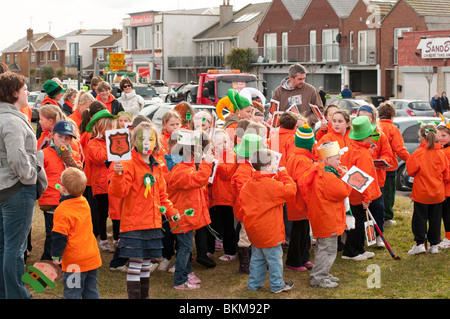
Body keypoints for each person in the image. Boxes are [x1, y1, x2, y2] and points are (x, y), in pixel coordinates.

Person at [109, 121, 179, 298]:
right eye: (142, 138)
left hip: (153, 224)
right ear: (133, 141)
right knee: (136, 263)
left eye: (150, 139)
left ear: (156, 142)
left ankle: (144, 296)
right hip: (134, 224)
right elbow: (120, 191)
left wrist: (171, 212)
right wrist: (117, 174)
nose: (146, 142)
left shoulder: (157, 166)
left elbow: (162, 195)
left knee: (146, 263)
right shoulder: (128, 163)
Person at [0, 72, 42, 299]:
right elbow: (17, 156)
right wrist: (30, 177)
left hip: (4, 188)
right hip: (16, 189)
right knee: (15, 249)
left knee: (5, 247)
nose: (27, 92)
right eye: (25, 89)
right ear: (15, 92)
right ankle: (17, 294)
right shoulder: (12, 120)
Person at [240, 148, 296, 293]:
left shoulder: (248, 184)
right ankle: (277, 285)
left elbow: (243, 205)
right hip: (270, 230)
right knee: (274, 259)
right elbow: (291, 190)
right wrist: (284, 174)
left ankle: (253, 284)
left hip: (254, 230)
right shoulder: (271, 185)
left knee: (257, 258)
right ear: (267, 165)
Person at [165, 129, 214, 290]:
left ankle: (186, 274)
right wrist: (207, 163)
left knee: (185, 248)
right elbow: (199, 180)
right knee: (185, 249)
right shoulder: (181, 170)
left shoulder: (185, 166)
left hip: (185, 217)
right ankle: (180, 280)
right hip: (182, 218)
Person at [300, 141, 353, 288]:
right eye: (337, 158)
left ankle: (323, 272)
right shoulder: (327, 176)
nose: (339, 161)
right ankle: (319, 277)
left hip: (323, 216)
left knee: (323, 247)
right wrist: (346, 178)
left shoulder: (320, 171)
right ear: (327, 159)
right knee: (327, 249)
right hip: (328, 217)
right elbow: (342, 192)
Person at [51, 167, 102, 299]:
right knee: (91, 290)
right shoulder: (84, 202)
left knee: (72, 292)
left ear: (64, 188)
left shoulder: (62, 210)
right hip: (91, 257)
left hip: (74, 262)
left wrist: (56, 255)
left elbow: (59, 236)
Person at [38, 120, 83, 260]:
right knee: (52, 233)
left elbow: (80, 174)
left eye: (67, 138)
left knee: (66, 232)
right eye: (60, 137)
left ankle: (62, 259)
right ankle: (47, 260)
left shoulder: (74, 155)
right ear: (52, 135)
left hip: (69, 202)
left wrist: (68, 158)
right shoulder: (44, 153)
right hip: (51, 201)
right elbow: (38, 177)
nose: (64, 141)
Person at [406, 123, 450, 255]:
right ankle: (434, 244)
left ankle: (420, 243)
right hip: (437, 194)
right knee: (435, 219)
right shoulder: (441, 154)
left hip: (422, 193)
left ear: (421, 137)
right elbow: (446, 175)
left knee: (420, 218)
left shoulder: (419, 153)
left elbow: (410, 171)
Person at [341, 116, 381, 261]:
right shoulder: (362, 154)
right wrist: (367, 197)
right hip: (358, 194)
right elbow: (364, 178)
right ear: (367, 136)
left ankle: (359, 249)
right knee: (357, 223)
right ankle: (351, 252)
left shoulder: (352, 148)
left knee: (358, 221)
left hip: (351, 192)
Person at [356, 104, 394, 247]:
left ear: (373, 118)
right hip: (359, 178)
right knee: (361, 209)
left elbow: (387, 152)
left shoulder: (380, 134)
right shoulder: (354, 135)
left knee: (377, 208)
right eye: (362, 116)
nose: (365, 118)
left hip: (376, 179)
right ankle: (364, 236)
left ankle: (378, 235)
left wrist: (383, 160)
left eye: (368, 116)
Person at [85, 109, 117, 253]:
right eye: (108, 127)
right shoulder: (93, 143)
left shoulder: (115, 141)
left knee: (116, 212)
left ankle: (117, 239)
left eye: (113, 127)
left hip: (115, 182)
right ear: (100, 128)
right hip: (101, 185)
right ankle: (103, 240)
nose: (112, 130)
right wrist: (115, 146)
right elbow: (100, 158)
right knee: (102, 213)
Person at [285, 124, 315, 271]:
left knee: (303, 231)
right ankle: (294, 261)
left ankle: (303, 258)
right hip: (300, 201)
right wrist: (310, 200)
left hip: (296, 200)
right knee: (299, 233)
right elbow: (304, 183)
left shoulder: (295, 156)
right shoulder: (303, 160)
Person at [378, 102, 410, 226]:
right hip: (389, 166)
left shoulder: (375, 127)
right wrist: (411, 160)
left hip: (375, 167)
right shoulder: (392, 129)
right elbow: (400, 149)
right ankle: (386, 218)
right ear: (392, 116)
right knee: (388, 193)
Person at [208, 129, 237, 262]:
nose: (223, 145)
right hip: (212, 197)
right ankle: (209, 250)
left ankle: (230, 251)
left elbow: (227, 173)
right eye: (219, 142)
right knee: (212, 225)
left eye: (225, 141)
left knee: (228, 226)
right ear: (213, 144)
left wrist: (217, 160)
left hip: (226, 197)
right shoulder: (210, 154)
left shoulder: (231, 154)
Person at [270, 64, 323, 128]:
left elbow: (320, 111)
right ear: (291, 77)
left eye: (304, 78)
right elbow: (271, 113)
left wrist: (307, 120)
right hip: (286, 132)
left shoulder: (311, 90)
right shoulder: (279, 91)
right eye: (300, 79)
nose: (303, 81)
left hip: (305, 131)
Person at [436, 120, 450, 249]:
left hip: (447, 189)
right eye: (438, 135)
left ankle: (448, 238)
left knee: (447, 214)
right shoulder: (441, 150)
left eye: (444, 136)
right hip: (442, 189)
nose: (440, 138)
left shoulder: (446, 152)